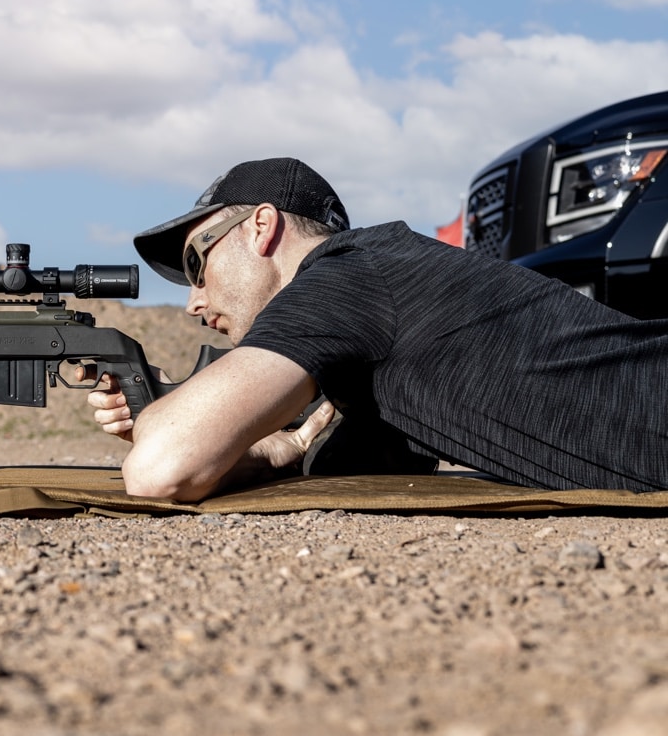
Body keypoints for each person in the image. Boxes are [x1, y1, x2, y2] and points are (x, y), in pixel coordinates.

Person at [87, 157, 668, 501]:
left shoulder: (344, 279)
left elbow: (161, 471)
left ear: (260, 228)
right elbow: (366, 464)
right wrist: (283, 447)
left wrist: (170, 420)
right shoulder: (377, 288)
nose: (193, 300)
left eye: (196, 263)